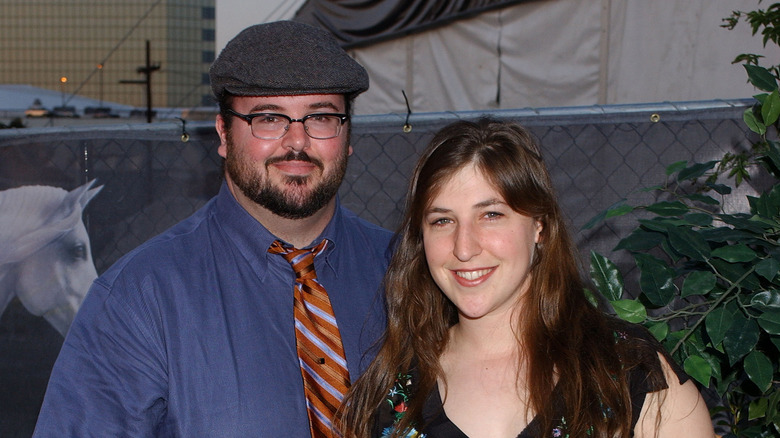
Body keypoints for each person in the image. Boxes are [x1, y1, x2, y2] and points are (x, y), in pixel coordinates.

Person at [33, 21, 393, 437]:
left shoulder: (407, 271)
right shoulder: (138, 300)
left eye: (322, 117)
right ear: (223, 134)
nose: (297, 141)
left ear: (347, 135)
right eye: (269, 118)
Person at [337, 118, 717, 438]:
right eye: (442, 221)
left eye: (491, 215)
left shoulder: (624, 369)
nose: (464, 248)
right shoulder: (392, 392)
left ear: (539, 226)